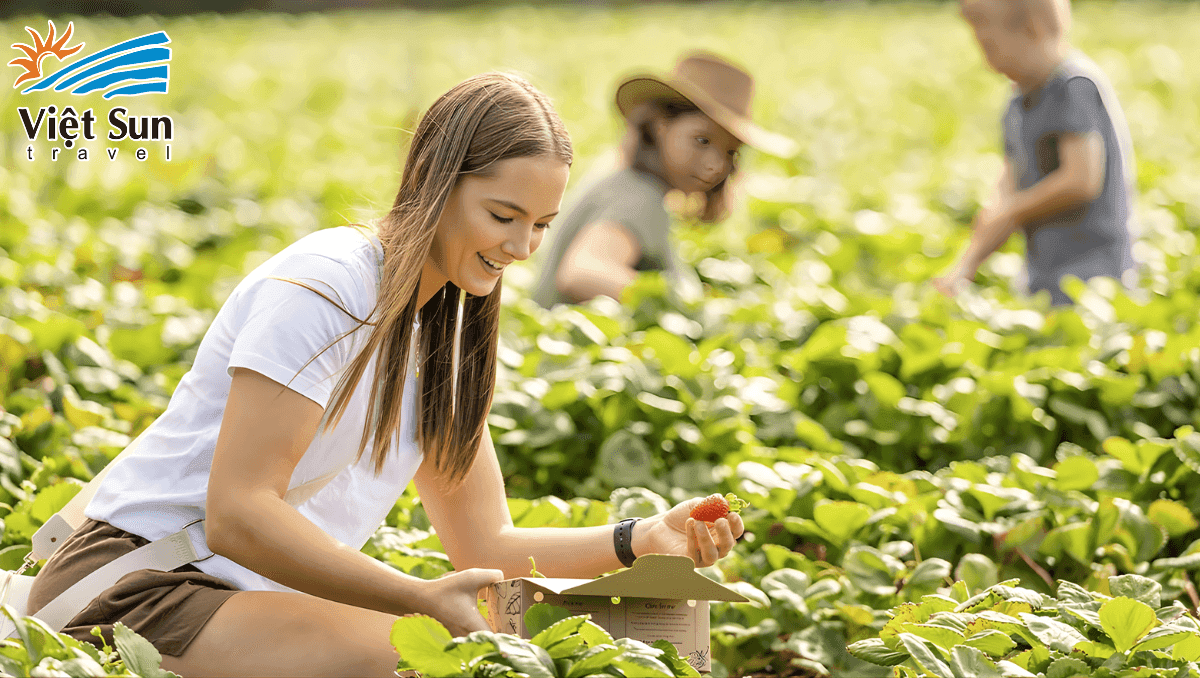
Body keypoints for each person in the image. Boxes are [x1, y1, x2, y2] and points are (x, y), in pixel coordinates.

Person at [27, 72, 743, 678]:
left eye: (543, 225)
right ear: (438, 182)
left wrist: (639, 539)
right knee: (440, 659)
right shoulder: (330, 284)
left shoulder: (446, 338)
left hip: (234, 594)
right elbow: (239, 512)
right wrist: (416, 597)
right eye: (503, 215)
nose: (522, 247)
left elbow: (485, 544)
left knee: (494, 650)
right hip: (133, 587)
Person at [530, 52, 796, 308]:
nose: (716, 164)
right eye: (702, 140)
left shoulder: (625, 182)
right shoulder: (640, 196)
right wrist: (687, 307)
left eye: (730, 152)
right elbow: (582, 273)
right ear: (660, 126)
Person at [934, 0, 1138, 307]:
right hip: (1045, 276)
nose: (986, 59)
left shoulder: (1073, 86)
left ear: (1033, 29)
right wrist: (965, 267)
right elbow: (1008, 187)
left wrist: (1014, 210)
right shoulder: (1019, 101)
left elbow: (1081, 179)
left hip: (1095, 278)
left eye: (990, 46)